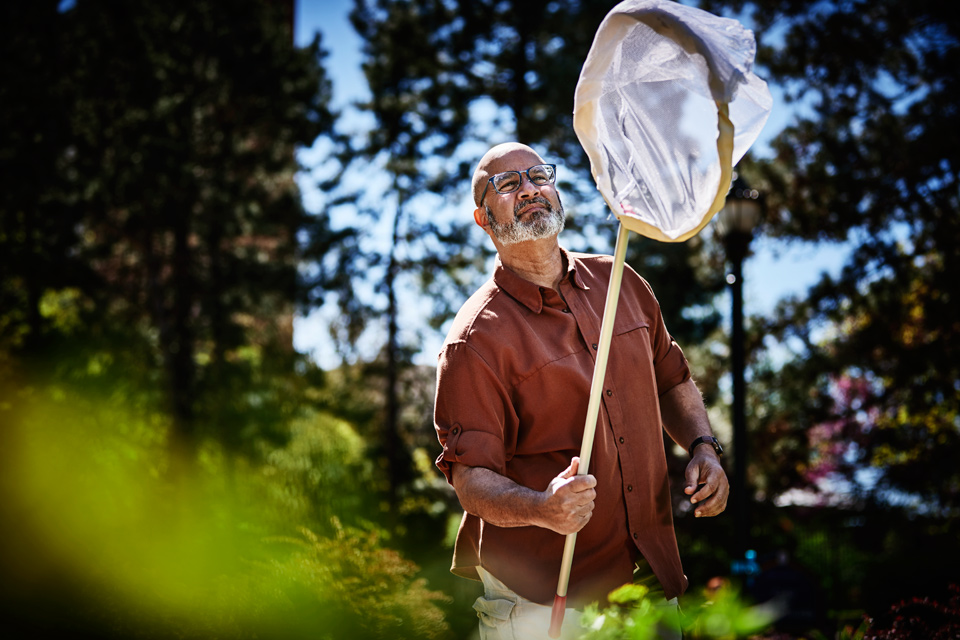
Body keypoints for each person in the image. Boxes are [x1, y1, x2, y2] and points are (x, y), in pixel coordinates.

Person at [433, 142, 729, 639]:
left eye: (537, 175)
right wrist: (541, 508)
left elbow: (672, 379)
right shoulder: (476, 340)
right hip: (545, 600)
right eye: (506, 184)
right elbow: (471, 479)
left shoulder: (622, 283)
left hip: (650, 580)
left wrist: (704, 447)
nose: (528, 188)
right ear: (484, 220)